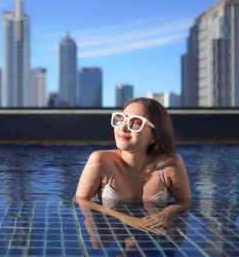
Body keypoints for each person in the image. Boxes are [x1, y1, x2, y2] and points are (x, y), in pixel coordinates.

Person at [74, 97, 191, 234]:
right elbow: (80, 200)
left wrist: (167, 212)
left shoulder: (170, 165)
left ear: (154, 136)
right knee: (97, 244)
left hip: (153, 233)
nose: (122, 128)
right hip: (112, 231)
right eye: (121, 118)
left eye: (135, 123)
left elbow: (184, 202)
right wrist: (127, 219)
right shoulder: (100, 160)